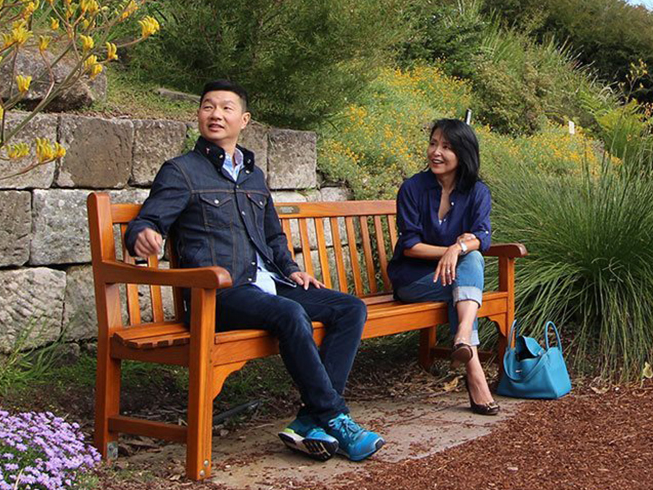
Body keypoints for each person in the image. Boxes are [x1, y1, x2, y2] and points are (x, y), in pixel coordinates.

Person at [124, 80, 385, 462]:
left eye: (226, 108)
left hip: (268, 287)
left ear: (244, 120)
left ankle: (310, 419)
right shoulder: (181, 171)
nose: (216, 114)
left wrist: (291, 270)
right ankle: (334, 417)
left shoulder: (253, 175)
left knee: (350, 308)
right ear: (199, 114)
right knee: (290, 314)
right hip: (220, 294)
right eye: (208, 106)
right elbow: (147, 221)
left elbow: (273, 235)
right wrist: (143, 235)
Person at [387, 118, 499, 415]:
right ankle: (473, 367)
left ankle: (463, 340)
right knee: (468, 273)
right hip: (413, 279)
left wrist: (457, 249)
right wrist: (451, 251)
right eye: (433, 144)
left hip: (453, 281)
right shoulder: (412, 188)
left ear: (463, 153)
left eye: (446, 147)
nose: (436, 152)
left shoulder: (477, 192)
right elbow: (410, 245)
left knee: (467, 269)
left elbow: (483, 237)